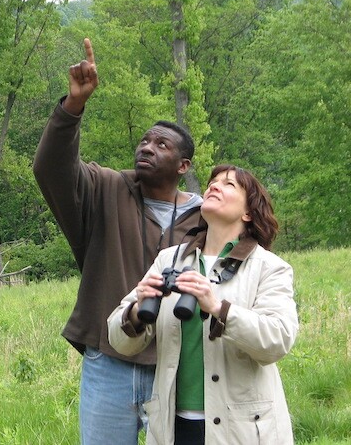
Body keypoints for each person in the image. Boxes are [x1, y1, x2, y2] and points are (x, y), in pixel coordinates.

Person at [33, 38, 203, 444]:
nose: (147, 146)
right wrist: (73, 106)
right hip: (110, 361)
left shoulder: (205, 216)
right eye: (144, 140)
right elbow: (51, 169)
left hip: (177, 366)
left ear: (183, 166)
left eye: (161, 144)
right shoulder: (107, 188)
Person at [107, 164, 298, 444]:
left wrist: (219, 308)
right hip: (174, 427)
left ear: (248, 212)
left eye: (229, 184)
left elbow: (278, 339)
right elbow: (118, 339)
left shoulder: (269, 268)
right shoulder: (169, 260)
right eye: (213, 182)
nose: (214, 186)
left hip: (241, 430)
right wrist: (137, 311)